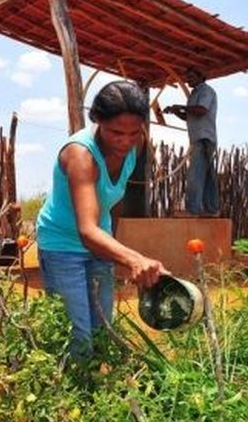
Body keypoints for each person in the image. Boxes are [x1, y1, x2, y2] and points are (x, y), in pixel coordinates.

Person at [36, 80, 168, 359]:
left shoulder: (136, 145)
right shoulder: (81, 155)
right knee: (76, 337)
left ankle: (95, 392)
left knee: (102, 330)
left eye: (133, 132)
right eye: (116, 132)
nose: (125, 141)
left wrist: (115, 249)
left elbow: (111, 200)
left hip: (100, 243)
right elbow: (86, 230)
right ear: (97, 120)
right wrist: (133, 259)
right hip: (62, 245)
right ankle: (69, 399)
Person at [163, 67, 219, 216]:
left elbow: (201, 110)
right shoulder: (195, 94)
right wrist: (177, 112)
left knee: (196, 174)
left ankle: (193, 210)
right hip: (199, 138)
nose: (188, 80)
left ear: (201, 76)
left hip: (203, 138)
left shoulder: (205, 91)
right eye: (187, 77)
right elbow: (191, 116)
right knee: (207, 176)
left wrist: (180, 107)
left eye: (191, 76)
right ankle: (211, 209)